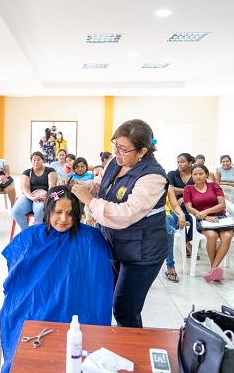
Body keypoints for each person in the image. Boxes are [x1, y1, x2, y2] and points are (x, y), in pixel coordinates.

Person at [0, 185, 113, 373]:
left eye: (70, 214)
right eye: (58, 212)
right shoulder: (31, 236)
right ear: (48, 211)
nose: (63, 219)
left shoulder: (91, 238)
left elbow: (99, 283)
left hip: (79, 306)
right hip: (37, 302)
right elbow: (14, 273)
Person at [71, 119, 167, 328]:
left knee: (126, 308)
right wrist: (85, 187)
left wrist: (90, 201)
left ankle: (132, 354)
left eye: (124, 149)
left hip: (142, 252)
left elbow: (126, 214)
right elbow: (101, 185)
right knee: (110, 297)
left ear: (142, 151)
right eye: (115, 145)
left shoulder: (153, 176)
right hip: (116, 244)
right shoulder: (116, 162)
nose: (117, 153)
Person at [184, 163, 233, 281]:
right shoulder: (188, 189)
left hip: (220, 216)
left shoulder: (214, 186)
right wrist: (205, 216)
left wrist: (206, 212)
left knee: (227, 235)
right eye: (195, 174)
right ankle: (215, 269)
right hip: (202, 218)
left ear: (206, 174)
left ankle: (213, 268)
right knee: (211, 235)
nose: (198, 176)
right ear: (192, 176)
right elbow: (189, 208)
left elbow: (222, 204)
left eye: (201, 174)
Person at [11, 152, 57, 231]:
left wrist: (47, 197)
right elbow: (25, 187)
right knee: (15, 211)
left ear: (43, 160)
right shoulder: (27, 172)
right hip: (29, 196)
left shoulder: (50, 170)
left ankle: (37, 232)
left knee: (39, 210)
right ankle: (26, 232)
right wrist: (32, 197)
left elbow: (52, 185)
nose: (36, 162)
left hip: (44, 197)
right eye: (34, 160)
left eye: (38, 159)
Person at [167, 153, 195, 245]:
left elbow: (200, 189)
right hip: (177, 206)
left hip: (193, 205)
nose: (179, 164)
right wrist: (190, 191)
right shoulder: (172, 174)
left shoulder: (195, 174)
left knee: (196, 222)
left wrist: (185, 195)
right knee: (179, 220)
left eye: (182, 162)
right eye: (178, 162)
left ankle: (188, 241)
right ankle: (188, 246)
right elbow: (171, 190)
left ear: (190, 163)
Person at [164, 186, 186, 283]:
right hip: (145, 216)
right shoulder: (140, 182)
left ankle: (170, 266)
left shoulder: (167, 186)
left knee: (169, 230)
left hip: (165, 214)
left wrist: (181, 214)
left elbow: (175, 205)